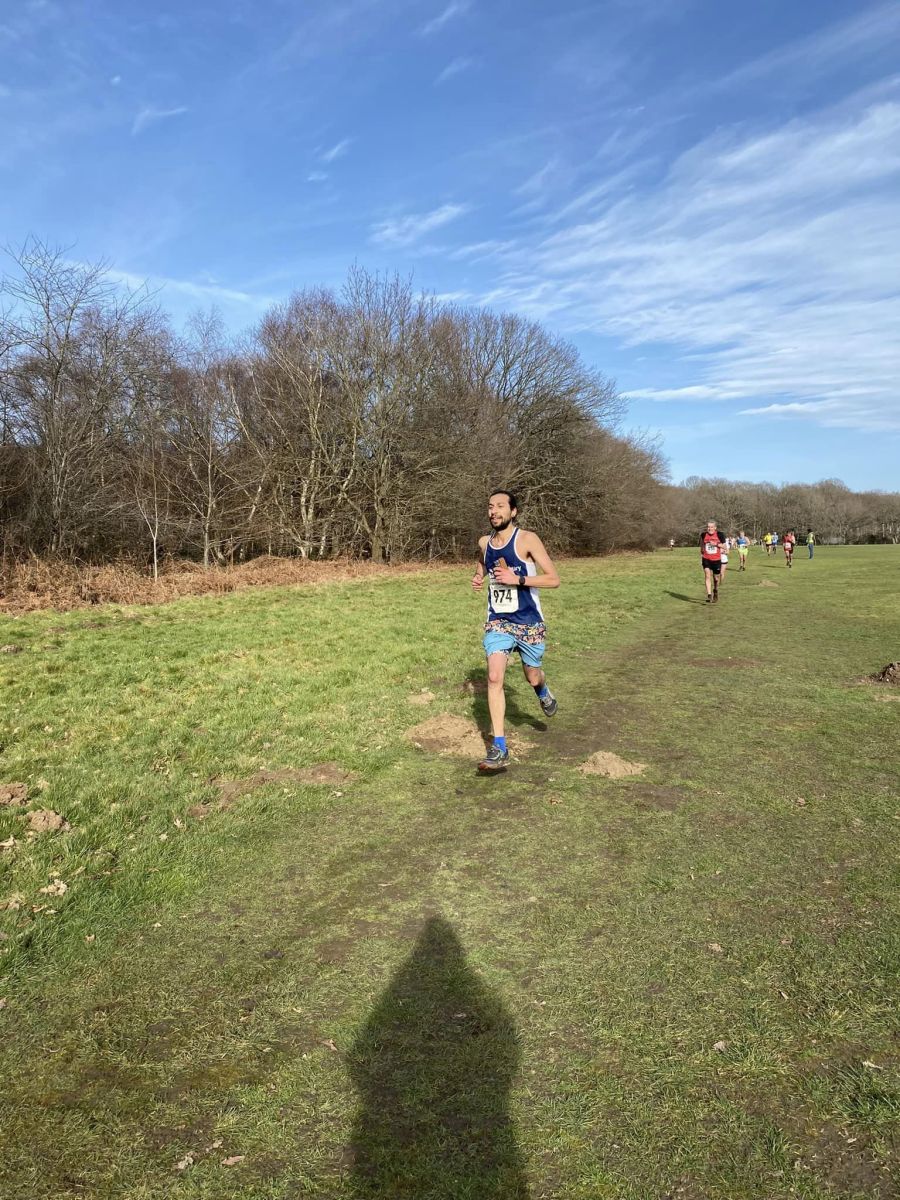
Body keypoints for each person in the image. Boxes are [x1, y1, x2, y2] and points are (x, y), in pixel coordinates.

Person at [471, 491, 560, 772]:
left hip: (529, 621)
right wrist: (478, 576)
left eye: (500, 506)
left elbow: (553, 579)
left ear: (513, 512)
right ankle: (499, 747)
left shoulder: (527, 540)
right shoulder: (484, 542)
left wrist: (517, 579)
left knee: (532, 675)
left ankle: (542, 690)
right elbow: (483, 561)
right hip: (498, 620)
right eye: (490, 507)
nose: (494, 511)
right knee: (494, 676)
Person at [699, 520, 725, 602]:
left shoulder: (720, 534)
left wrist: (716, 544)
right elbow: (702, 545)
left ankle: (715, 590)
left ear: (715, 528)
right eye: (708, 527)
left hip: (716, 560)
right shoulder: (703, 535)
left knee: (716, 578)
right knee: (707, 575)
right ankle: (709, 595)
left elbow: (725, 547)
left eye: (711, 527)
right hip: (706, 559)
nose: (709, 528)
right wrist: (702, 552)